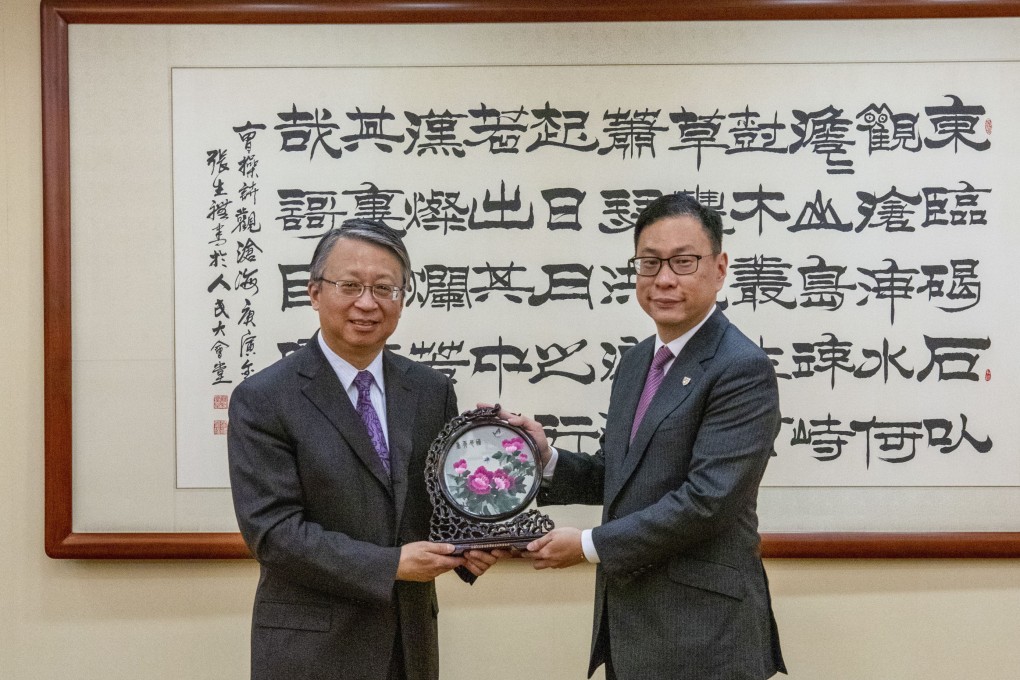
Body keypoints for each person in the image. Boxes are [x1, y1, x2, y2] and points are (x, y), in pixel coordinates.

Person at [503, 194, 786, 680]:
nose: (664, 279)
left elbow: (707, 501)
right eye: (650, 263)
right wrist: (544, 458)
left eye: (683, 261)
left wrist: (589, 545)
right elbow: (623, 475)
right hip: (634, 629)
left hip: (706, 636)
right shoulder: (637, 362)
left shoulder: (742, 368)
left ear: (719, 269)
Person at [228, 219, 495, 680]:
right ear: (314, 292)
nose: (367, 303)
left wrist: (470, 546)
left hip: (408, 645)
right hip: (311, 649)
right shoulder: (264, 397)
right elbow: (273, 533)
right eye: (349, 285)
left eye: (385, 288)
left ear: (402, 299)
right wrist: (391, 565)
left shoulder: (431, 391)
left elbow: (440, 503)